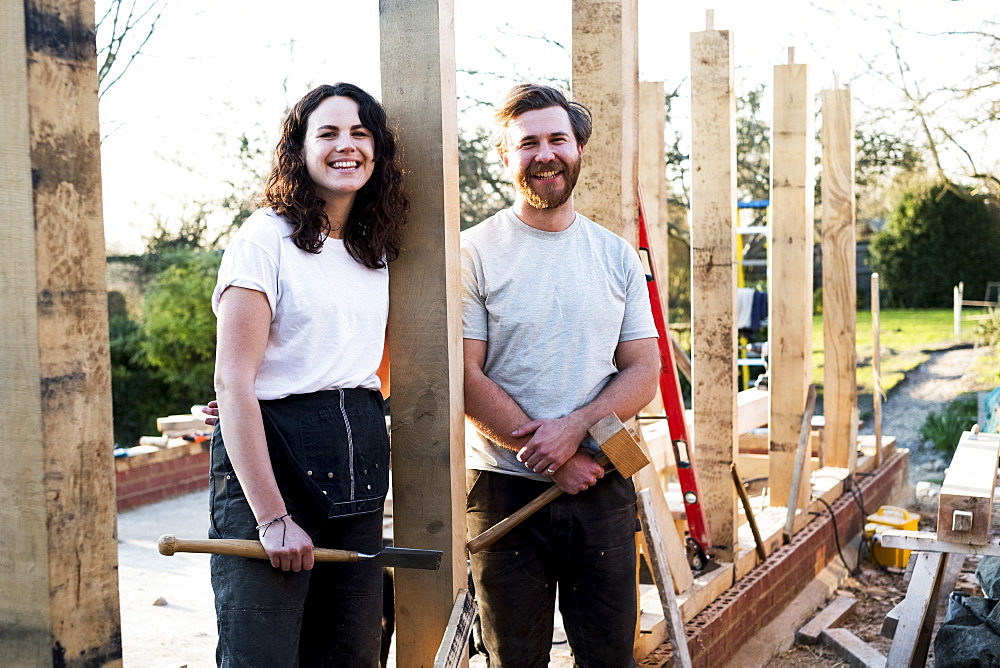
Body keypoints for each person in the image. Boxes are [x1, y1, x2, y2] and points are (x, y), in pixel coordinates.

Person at [460, 84, 661, 667]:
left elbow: (643, 369)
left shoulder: (616, 255)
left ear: (577, 150)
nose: (544, 154)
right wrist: (551, 455)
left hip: (602, 481)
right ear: (506, 158)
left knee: (608, 656)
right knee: (513, 658)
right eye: (527, 143)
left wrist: (577, 432)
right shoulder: (474, 252)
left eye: (557, 139)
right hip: (504, 489)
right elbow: (468, 376)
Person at [209, 82, 406, 667]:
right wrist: (272, 519)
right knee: (262, 657)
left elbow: (369, 367)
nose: (347, 146)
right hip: (272, 478)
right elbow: (233, 381)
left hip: (357, 470)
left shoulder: (376, 250)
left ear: (378, 151)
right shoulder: (263, 239)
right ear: (298, 150)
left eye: (360, 134)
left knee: (349, 655)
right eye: (328, 133)